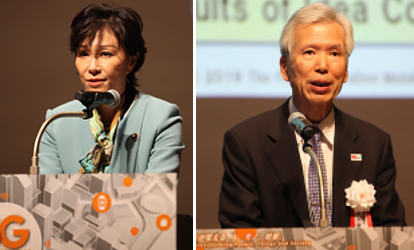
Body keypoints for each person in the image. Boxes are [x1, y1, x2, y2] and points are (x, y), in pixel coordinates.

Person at [219, 3, 405, 227]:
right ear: (285, 68)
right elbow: (240, 233)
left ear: (345, 71)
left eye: (334, 53)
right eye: (309, 52)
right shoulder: (246, 143)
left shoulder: (374, 144)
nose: (323, 66)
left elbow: (392, 234)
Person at [38, 4, 184, 174]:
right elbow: (49, 196)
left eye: (105, 54)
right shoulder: (55, 121)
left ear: (131, 62)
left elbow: (156, 196)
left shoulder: (162, 117)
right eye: (83, 54)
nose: (92, 67)